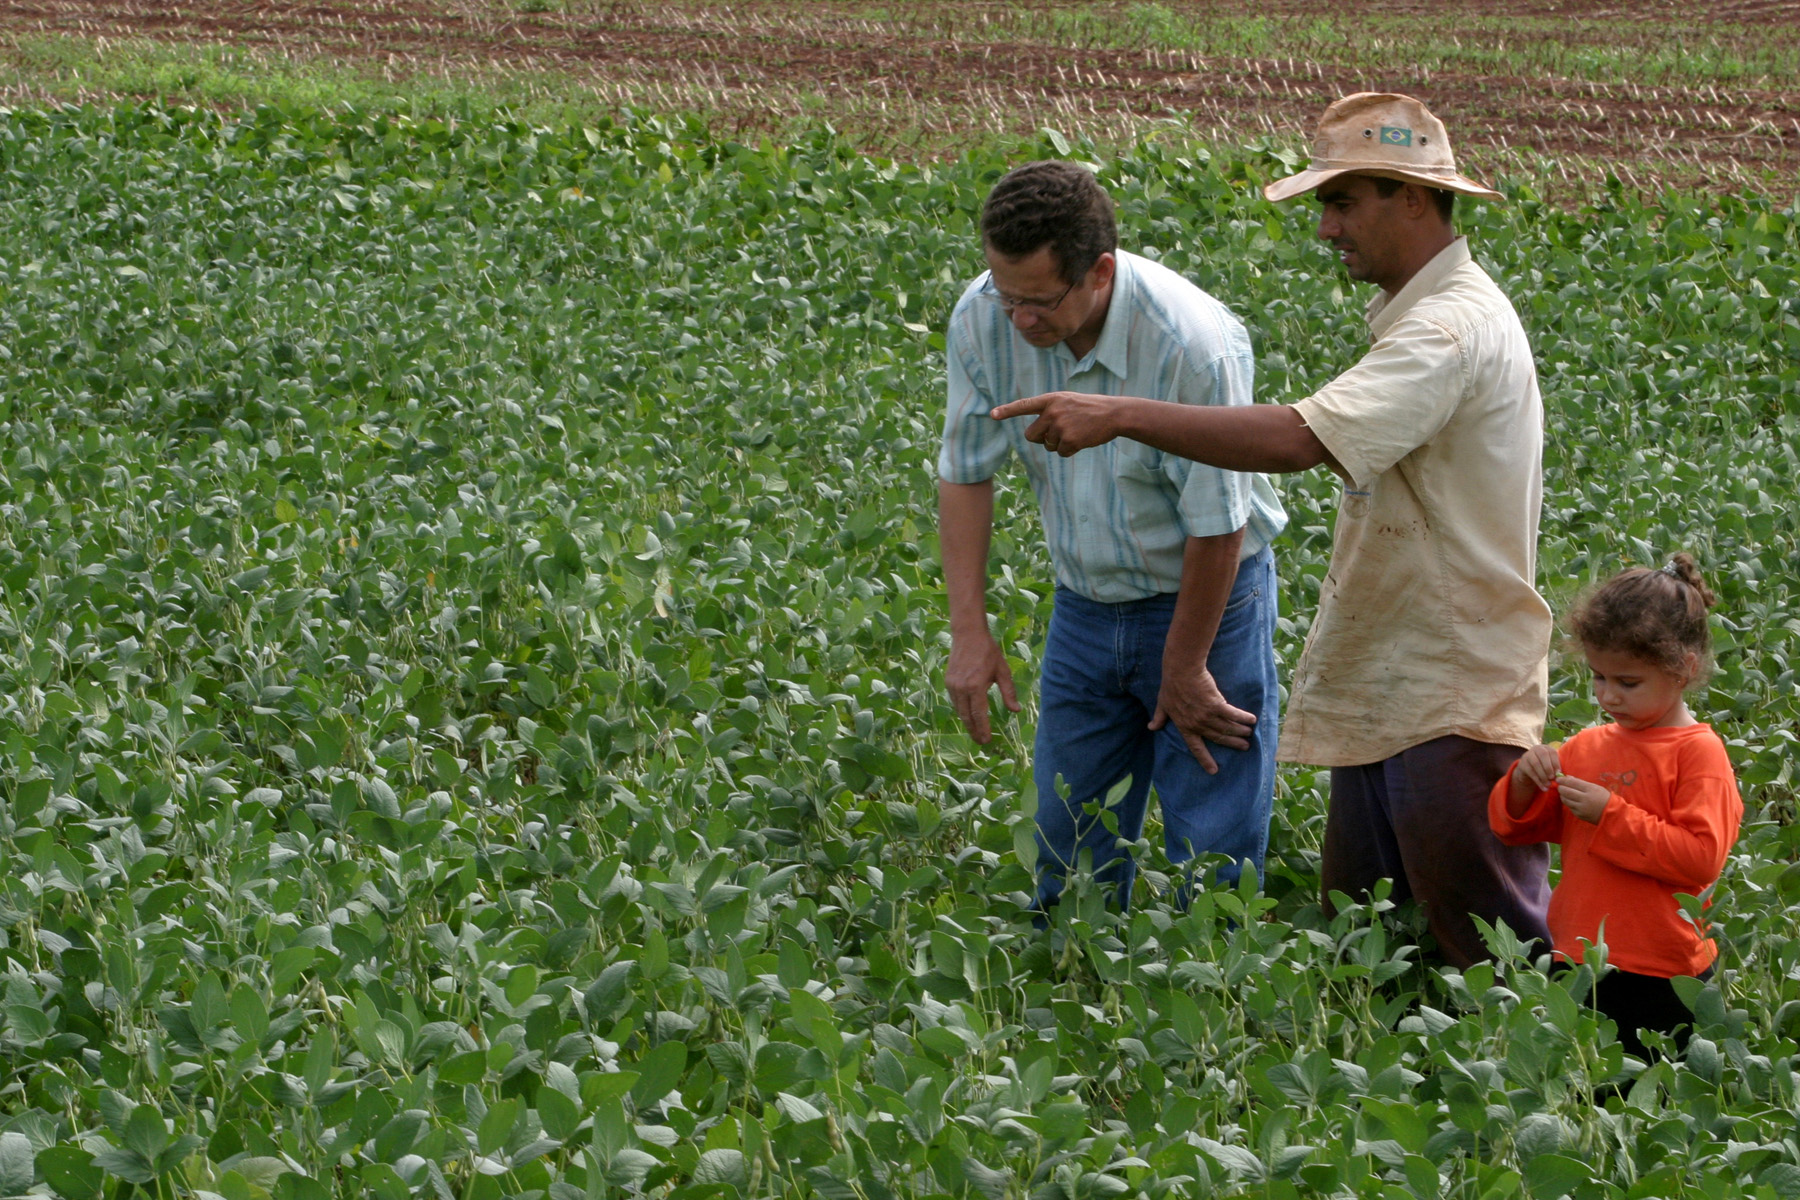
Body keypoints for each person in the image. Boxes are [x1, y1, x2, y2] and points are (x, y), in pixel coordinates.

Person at [988, 93, 1554, 965]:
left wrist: (1120, 414)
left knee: (1491, 954)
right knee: (1370, 947)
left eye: (1343, 202)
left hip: (1450, 694)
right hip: (1399, 680)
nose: (1327, 228)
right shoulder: (1427, 315)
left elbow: (1297, 439)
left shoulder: (1448, 330)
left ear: (1412, 198)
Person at [939, 159, 1287, 910]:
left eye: (1039, 301)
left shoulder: (1190, 343)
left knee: (1211, 842)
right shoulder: (981, 317)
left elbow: (1219, 524)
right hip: (1085, 605)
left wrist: (1185, 666)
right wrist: (969, 633)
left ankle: (1215, 970)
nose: (1019, 320)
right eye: (1006, 294)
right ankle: (1072, 965)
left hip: (1210, 601)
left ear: (1100, 271)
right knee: (1067, 837)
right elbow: (964, 472)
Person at [1488, 556, 1741, 1061]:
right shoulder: (1586, 746)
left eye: (1628, 683)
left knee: (1656, 1093)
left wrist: (1610, 815)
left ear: (1685, 669)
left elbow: (1699, 859)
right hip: (1579, 957)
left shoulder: (1699, 753)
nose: (1608, 696)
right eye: (1599, 677)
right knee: (1586, 1086)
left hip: (1665, 969)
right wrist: (1522, 780)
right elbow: (1516, 828)